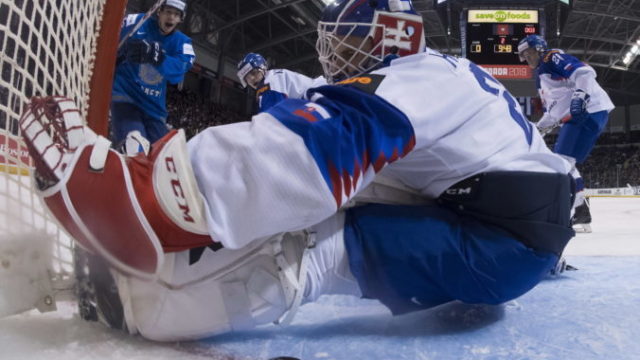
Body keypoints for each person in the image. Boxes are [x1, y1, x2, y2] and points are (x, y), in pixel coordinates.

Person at [20, 0, 575, 341]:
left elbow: (323, 142)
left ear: (389, 36)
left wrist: (145, 198)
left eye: (348, 41)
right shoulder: (445, 75)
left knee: (317, 241)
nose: (335, 54)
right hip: (496, 224)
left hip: (500, 243)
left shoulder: (419, 77)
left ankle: (146, 310)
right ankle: (160, 264)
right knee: (327, 196)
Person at [518, 34, 614, 232]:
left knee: (561, 163)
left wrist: (580, 96)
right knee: (564, 162)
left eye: (528, 53)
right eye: (522, 55)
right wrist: (538, 129)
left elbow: (585, 73)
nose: (526, 58)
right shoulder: (541, 78)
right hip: (579, 115)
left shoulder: (551, 57)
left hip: (586, 112)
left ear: (538, 49)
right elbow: (553, 111)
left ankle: (568, 213)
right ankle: (580, 211)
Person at [111, 0, 195, 146]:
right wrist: (120, 53)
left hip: (155, 109)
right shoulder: (137, 22)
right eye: (168, 12)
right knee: (135, 150)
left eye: (176, 14)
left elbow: (180, 70)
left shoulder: (183, 42)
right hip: (126, 97)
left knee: (160, 158)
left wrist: (158, 57)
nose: (171, 17)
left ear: (180, 19)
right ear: (159, 11)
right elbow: (111, 36)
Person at [236, 52, 326, 112]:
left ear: (263, 68)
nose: (251, 78)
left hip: (322, 99)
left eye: (253, 72)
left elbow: (270, 120)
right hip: (321, 96)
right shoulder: (274, 77)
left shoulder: (268, 83)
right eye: (247, 78)